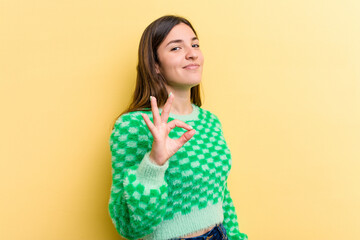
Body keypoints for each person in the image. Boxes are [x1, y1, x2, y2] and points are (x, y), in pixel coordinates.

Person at [108, 15, 248, 240]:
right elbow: (130, 227)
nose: (192, 53)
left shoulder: (210, 121)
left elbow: (221, 194)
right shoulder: (133, 126)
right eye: (176, 48)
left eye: (195, 45)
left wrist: (235, 236)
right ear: (155, 65)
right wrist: (154, 163)